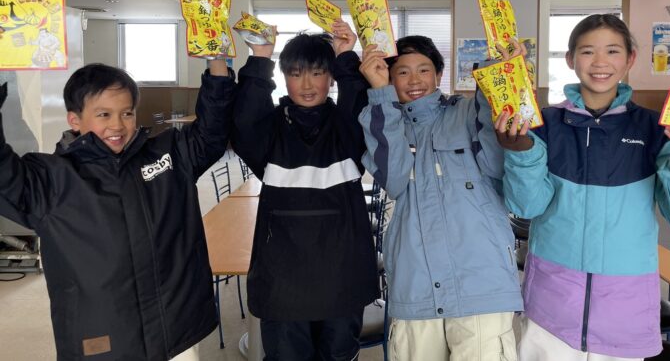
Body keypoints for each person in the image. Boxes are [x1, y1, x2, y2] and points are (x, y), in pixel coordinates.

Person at [494, 14, 670, 361]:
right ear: (570, 59)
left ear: (630, 58)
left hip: (624, 311)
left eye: (612, 51)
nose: (600, 62)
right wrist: (520, 152)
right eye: (587, 51)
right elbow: (527, 207)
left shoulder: (656, 129)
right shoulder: (544, 124)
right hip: (551, 305)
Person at [0, 60, 235, 360]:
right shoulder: (50, 180)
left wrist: (217, 60)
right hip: (105, 343)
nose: (117, 125)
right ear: (74, 119)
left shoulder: (167, 154)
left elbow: (211, 132)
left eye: (127, 113)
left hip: (177, 333)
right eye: (104, 115)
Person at [358, 36, 523, 361]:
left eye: (424, 70)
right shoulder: (382, 119)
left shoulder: (467, 112)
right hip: (415, 282)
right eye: (402, 72)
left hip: (481, 279)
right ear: (390, 78)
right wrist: (380, 95)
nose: (414, 80)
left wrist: (496, 77)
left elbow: (496, 163)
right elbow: (394, 180)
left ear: (438, 75)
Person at [231, 20, 378, 361]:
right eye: (296, 74)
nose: (307, 84)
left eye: (317, 73)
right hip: (282, 280)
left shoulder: (347, 128)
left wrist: (346, 56)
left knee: (339, 354)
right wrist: (260, 58)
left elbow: (360, 105)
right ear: (284, 78)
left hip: (342, 276)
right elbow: (245, 123)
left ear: (331, 78)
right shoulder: (269, 131)